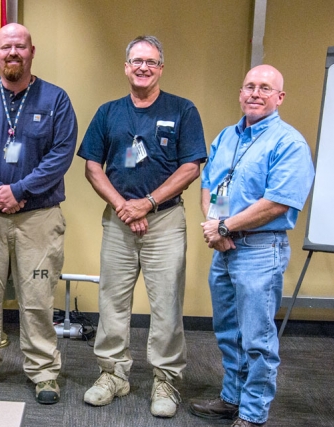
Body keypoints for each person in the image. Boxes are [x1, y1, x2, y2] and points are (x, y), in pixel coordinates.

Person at [77, 35, 207, 417]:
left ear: (161, 68)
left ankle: (165, 381)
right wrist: (123, 206)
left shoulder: (183, 110)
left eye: (151, 62)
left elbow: (191, 167)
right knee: (112, 302)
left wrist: (147, 204)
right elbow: (91, 166)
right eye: (136, 61)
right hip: (119, 221)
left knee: (166, 304)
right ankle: (113, 374)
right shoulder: (108, 112)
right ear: (126, 66)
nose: (143, 67)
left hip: (164, 220)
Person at [0, 23, 77, 405]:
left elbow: (61, 154)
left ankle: (43, 372)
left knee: (37, 299)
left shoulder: (55, 99)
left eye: (20, 47)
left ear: (32, 51)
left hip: (38, 218)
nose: (12, 54)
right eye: (6, 47)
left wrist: (19, 191)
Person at [189, 65, 314, 427]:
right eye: (249, 87)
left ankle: (254, 413)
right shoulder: (227, 136)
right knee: (228, 331)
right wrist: (216, 227)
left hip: (260, 250)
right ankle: (232, 397)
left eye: (264, 87)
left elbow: (278, 203)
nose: (255, 93)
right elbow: (208, 185)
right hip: (224, 248)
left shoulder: (289, 142)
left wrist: (225, 226)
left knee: (257, 338)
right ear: (240, 92)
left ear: (280, 97)